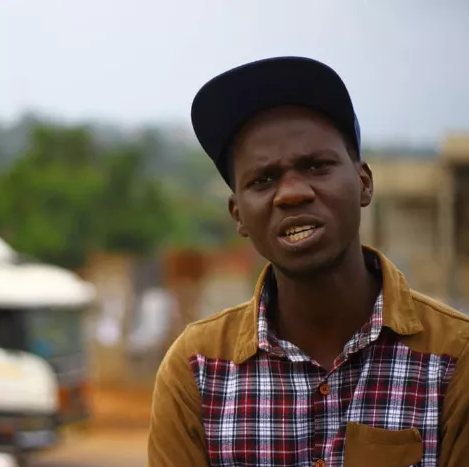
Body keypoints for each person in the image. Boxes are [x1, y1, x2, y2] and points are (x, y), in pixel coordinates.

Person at [147, 56, 469, 466]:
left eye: (317, 166)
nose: (292, 194)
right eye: (263, 180)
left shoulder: (455, 358)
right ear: (238, 215)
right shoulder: (197, 370)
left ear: (363, 183)